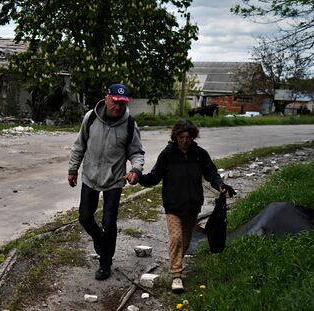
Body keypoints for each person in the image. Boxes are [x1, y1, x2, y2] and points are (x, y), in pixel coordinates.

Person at [138, 119, 234, 291]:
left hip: (193, 206)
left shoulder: (200, 154)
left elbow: (211, 172)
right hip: (173, 206)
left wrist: (220, 184)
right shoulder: (167, 155)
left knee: (186, 240)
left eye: (188, 137)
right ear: (175, 137)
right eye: (181, 137)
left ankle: (176, 261)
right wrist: (138, 178)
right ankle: (176, 276)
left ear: (193, 137)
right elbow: (154, 177)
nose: (185, 140)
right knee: (176, 238)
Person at [68, 83, 145, 280]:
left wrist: (136, 170)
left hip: (114, 179)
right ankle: (98, 238)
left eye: (122, 103)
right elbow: (79, 146)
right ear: (107, 98)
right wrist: (73, 169)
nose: (118, 107)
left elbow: (136, 152)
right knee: (85, 217)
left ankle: (105, 263)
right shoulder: (91, 117)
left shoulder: (129, 125)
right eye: (115, 101)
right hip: (90, 176)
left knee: (109, 223)